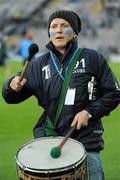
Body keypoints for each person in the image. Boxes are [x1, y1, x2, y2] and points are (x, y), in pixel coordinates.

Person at [2, 10, 120, 180]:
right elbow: (10, 98)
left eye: (64, 26)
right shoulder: (37, 65)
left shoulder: (92, 58)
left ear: (74, 32)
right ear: (49, 32)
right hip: (48, 140)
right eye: (53, 26)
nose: (58, 30)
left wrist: (89, 112)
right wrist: (11, 86)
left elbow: (114, 93)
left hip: (85, 141)